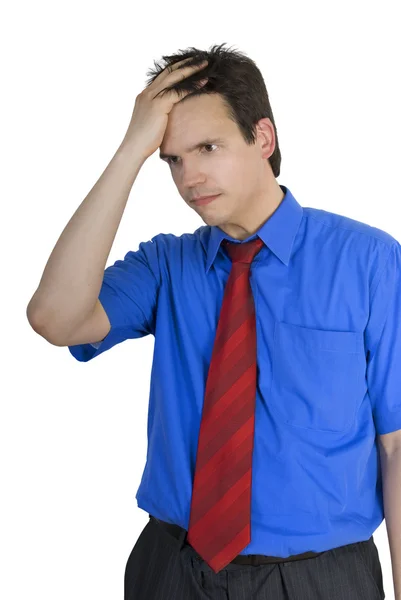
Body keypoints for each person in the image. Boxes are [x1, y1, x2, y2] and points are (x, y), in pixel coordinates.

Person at [26, 43, 401, 599]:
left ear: (263, 138)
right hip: (172, 571)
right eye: (173, 159)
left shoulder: (369, 261)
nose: (190, 176)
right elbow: (54, 318)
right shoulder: (166, 266)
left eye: (208, 147)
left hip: (320, 578)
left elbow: (396, 446)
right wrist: (133, 147)